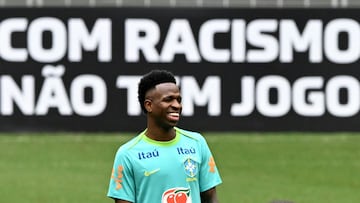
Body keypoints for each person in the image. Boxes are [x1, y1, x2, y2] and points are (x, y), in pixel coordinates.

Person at [107, 69, 222, 203]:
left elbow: (210, 197)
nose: (176, 105)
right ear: (149, 105)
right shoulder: (128, 154)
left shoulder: (197, 143)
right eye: (168, 100)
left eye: (179, 100)